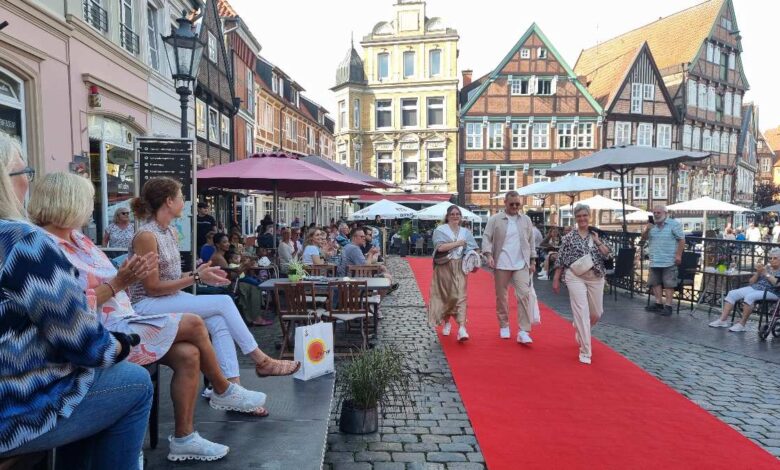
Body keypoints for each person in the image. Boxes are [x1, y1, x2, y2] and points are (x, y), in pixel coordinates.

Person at [30, 173, 268, 461]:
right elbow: (70, 307)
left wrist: (125, 274)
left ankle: (185, 438)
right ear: (68, 203)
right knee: (196, 322)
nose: (90, 208)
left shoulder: (81, 241)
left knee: (189, 354)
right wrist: (120, 282)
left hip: (123, 318)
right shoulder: (44, 248)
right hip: (101, 334)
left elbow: (116, 278)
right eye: (86, 200)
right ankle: (224, 388)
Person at [0, 133, 151, 469]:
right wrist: (124, 345)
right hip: (13, 411)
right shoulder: (21, 242)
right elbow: (85, 346)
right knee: (134, 383)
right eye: (24, 172)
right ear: (5, 182)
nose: (28, 181)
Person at [128, 177, 300, 383]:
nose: (184, 202)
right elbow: (152, 288)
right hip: (145, 305)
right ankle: (261, 361)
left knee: (218, 320)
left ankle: (232, 386)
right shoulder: (146, 235)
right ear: (169, 201)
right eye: (181, 197)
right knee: (224, 302)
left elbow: (170, 277)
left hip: (166, 298)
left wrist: (200, 274)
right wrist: (196, 277)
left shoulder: (170, 231)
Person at [551, 204, 613, 365]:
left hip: (596, 276)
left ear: (589, 216)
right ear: (575, 218)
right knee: (581, 312)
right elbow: (561, 258)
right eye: (579, 216)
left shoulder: (598, 234)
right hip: (574, 276)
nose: (582, 219)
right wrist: (556, 278)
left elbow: (608, 255)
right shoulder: (569, 237)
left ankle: (580, 327)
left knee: (596, 313)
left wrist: (597, 241)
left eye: (584, 215)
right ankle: (585, 351)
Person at [482, 191, 537, 342]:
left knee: (524, 295)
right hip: (502, 262)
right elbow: (486, 237)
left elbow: (531, 242)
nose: (514, 207)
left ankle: (524, 330)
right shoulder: (495, 219)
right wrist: (488, 255)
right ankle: (504, 325)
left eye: (517, 204)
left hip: (521, 263)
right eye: (511, 204)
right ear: (505, 203)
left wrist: (533, 261)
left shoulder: (526, 220)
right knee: (502, 297)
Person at [428, 205, 479, 342]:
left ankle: (462, 328)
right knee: (446, 295)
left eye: (458, 214)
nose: (455, 216)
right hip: (444, 266)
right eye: (453, 214)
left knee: (460, 296)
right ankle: (447, 321)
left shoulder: (465, 232)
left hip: (460, 266)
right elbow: (439, 248)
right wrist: (458, 243)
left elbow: (473, 248)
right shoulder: (440, 230)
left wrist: (472, 255)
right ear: (447, 216)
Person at [708, 248, 780, 332]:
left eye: (775, 258)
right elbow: (751, 282)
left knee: (749, 297)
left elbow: (777, 284)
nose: (772, 260)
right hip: (756, 288)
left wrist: (766, 274)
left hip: (772, 292)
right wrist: (758, 273)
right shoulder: (767, 267)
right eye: (770, 258)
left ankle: (742, 324)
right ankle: (722, 320)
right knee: (732, 293)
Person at [210, 233, 273, 327]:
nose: (227, 244)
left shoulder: (223, 255)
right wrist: (245, 265)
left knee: (254, 285)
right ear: (218, 244)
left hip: (232, 282)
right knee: (254, 287)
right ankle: (255, 317)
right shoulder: (218, 257)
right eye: (224, 242)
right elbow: (232, 275)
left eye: (227, 241)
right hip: (227, 285)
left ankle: (255, 316)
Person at [641, 205, 685, 316]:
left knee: (669, 284)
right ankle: (658, 303)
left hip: (669, 259)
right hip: (655, 259)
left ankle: (668, 306)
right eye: (654, 212)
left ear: (665, 213)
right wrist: (647, 229)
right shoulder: (651, 226)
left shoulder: (674, 224)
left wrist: (678, 255)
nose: (656, 214)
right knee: (655, 282)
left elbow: (681, 240)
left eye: (658, 212)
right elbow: (644, 238)